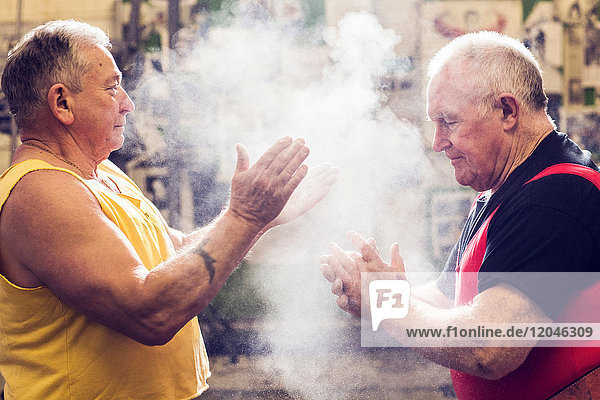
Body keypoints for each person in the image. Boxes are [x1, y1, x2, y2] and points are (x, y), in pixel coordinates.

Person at [0, 20, 337, 399]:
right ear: (62, 103)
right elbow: (148, 313)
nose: (128, 103)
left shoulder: (100, 172)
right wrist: (243, 216)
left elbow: (174, 252)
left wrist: (263, 218)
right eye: (112, 88)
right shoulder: (40, 192)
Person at [320, 31, 600, 399]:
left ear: (507, 111)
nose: (437, 143)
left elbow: (492, 347)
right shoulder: (501, 191)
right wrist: (375, 292)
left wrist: (383, 305)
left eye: (448, 121)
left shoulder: (556, 196)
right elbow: (446, 299)